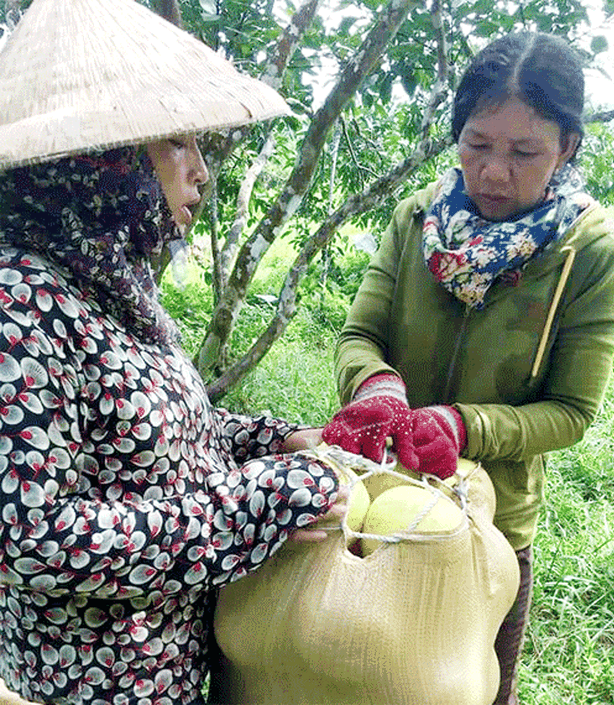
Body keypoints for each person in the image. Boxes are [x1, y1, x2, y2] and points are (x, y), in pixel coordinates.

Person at [0, 1, 345, 704]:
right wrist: (251, 504)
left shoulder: (107, 280)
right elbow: (32, 537)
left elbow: (152, 439)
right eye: (176, 145)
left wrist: (271, 441)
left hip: (176, 667)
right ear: (104, 160)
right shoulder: (18, 297)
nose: (201, 174)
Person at [322, 31, 614, 705]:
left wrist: (464, 426)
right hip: (371, 507)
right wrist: (378, 386)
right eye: (478, 144)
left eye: (524, 152)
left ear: (567, 147)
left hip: (488, 528)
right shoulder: (416, 220)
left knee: (472, 688)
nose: (494, 172)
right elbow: (360, 333)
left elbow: (571, 412)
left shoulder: (587, 253)